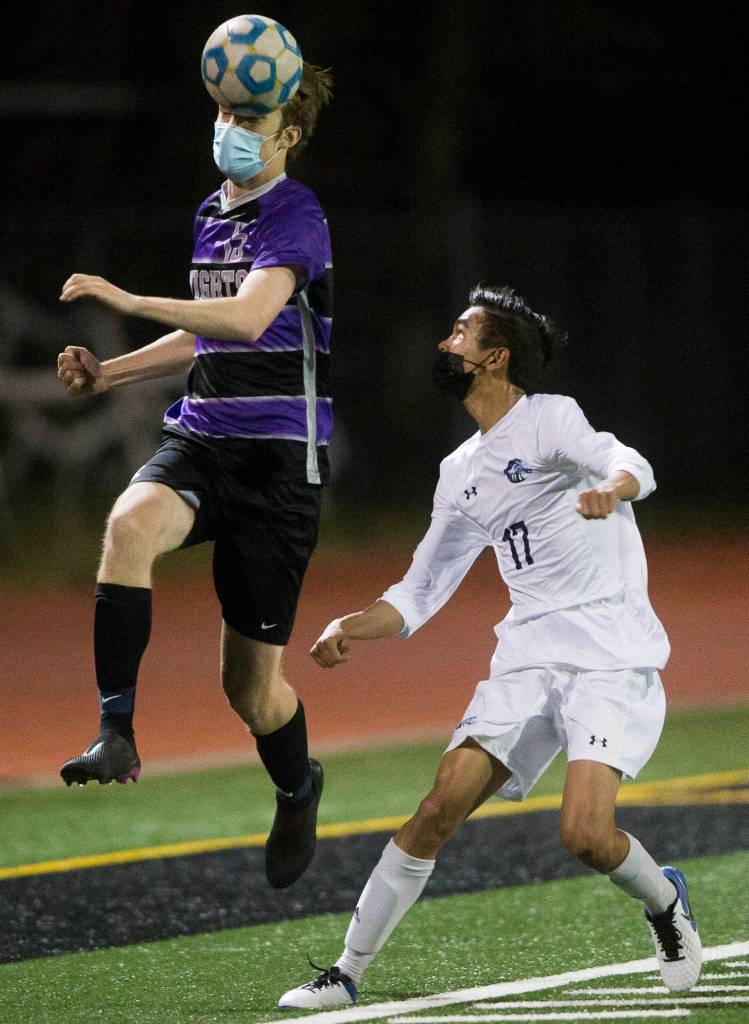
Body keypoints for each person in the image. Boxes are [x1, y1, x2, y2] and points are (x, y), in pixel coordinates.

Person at [278, 283, 702, 1006]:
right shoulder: (459, 472)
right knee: (437, 806)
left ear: (492, 358)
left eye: (457, 334)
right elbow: (418, 591)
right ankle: (345, 974)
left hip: (607, 653)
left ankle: (664, 901)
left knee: (585, 836)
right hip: (526, 656)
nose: (444, 344)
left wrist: (616, 487)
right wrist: (350, 623)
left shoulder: (548, 419)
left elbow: (622, 458)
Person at [55, 60, 334, 890]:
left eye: (250, 120)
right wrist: (111, 373)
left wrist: (130, 299)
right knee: (128, 525)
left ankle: (297, 783)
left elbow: (248, 319)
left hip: (280, 461)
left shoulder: (298, 213)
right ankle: (117, 732)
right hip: (204, 435)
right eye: (225, 113)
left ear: (286, 134)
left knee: (249, 690)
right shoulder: (211, 213)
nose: (231, 131)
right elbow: (205, 340)